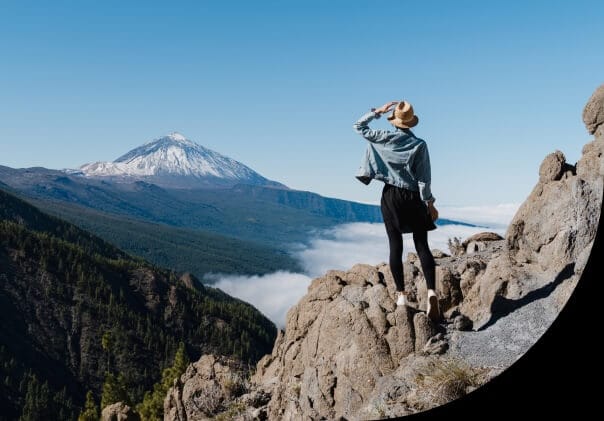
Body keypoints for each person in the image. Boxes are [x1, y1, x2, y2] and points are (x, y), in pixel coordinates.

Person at [353, 100, 440, 322]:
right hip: (412, 196)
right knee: (422, 245)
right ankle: (431, 292)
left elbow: (359, 127)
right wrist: (429, 203)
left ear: (395, 120)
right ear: (411, 122)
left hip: (390, 196)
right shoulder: (420, 145)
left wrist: (378, 112)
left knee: (395, 245)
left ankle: (401, 296)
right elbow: (424, 179)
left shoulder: (384, 136)